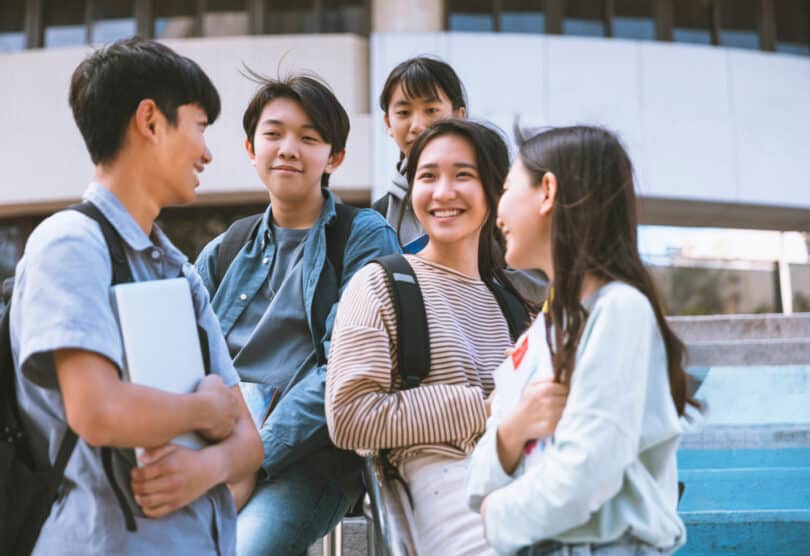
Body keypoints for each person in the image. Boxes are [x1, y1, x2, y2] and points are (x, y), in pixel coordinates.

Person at [10, 37, 263, 555]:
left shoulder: (177, 269)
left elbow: (249, 442)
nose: (208, 151)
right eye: (199, 126)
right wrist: (200, 412)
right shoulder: (70, 243)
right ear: (151, 121)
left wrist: (203, 468)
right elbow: (96, 410)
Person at [325, 119, 567, 555]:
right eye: (428, 176)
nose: (442, 193)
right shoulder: (381, 283)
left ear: (496, 192)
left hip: (525, 478)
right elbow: (349, 414)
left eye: (463, 176)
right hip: (441, 488)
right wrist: (485, 407)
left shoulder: (514, 305)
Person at [194, 73, 401, 556]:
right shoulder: (227, 247)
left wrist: (252, 456)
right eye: (273, 134)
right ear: (250, 147)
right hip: (216, 450)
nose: (288, 148)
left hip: (309, 463)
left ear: (335, 157)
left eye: (309, 138)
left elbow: (343, 368)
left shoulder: (363, 236)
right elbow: (183, 353)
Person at [467, 125, 692, 555]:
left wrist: (494, 513)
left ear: (547, 191)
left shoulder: (620, 310)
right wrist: (513, 431)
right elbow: (478, 475)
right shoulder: (542, 331)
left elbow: (589, 472)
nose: (497, 212)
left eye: (508, 188)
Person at [374, 55, 547, 303]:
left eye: (431, 110)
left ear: (459, 114)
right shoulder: (380, 214)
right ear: (388, 122)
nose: (417, 125)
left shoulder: (498, 193)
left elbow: (538, 279)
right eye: (403, 112)